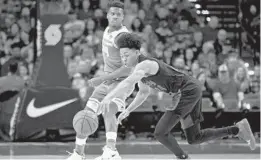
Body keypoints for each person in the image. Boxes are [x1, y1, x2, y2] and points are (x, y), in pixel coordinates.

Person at [101, 33, 256, 159]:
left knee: (160, 132)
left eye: (126, 55)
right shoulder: (138, 71)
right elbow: (142, 93)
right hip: (189, 90)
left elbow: (128, 82)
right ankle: (237, 129)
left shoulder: (145, 65)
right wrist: (128, 110)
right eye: (121, 56)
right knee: (194, 138)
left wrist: (108, 97)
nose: (124, 59)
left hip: (187, 91)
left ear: (137, 52)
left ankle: (182, 157)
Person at [66, 1, 130, 160]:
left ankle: (112, 151)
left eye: (118, 14)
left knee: (109, 109)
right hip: (107, 81)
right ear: (107, 15)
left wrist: (101, 77)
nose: (115, 16)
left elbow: (129, 68)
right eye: (112, 13)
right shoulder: (107, 30)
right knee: (87, 114)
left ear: (123, 17)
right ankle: (79, 153)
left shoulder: (123, 37)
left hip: (121, 83)